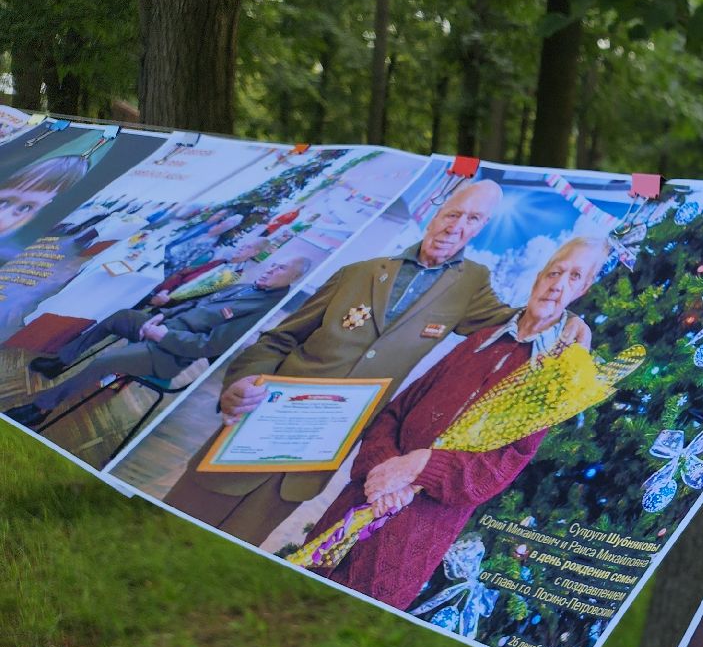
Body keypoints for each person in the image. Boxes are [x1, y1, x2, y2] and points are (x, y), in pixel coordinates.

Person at [163, 178, 586, 547]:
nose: (457, 226)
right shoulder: (359, 271)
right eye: (453, 213)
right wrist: (241, 381)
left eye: (473, 220)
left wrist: (572, 319)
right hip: (253, 433)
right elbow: (278, 340)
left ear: (481, 229)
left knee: (229, 555)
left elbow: (525, 320)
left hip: (309, 460)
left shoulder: (471, 284)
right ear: (435, 210)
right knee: (164, 530)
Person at [300, 238, 607, 609]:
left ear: (584, 289)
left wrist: (420, 468)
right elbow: (395, 413)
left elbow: (499, 470)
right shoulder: (481, 339)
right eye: (554, 272)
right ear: (539, 276)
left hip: (412, 534)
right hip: (362, 497)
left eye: (574, 277)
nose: (558, 284)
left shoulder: (553, 375)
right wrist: (385, 472)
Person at [3, 258, 307, 428]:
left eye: (281, 268)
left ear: (293, 279)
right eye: (273, 265)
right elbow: (194, 308)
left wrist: (163, 335)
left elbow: (209, 346)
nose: (270, 268)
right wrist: (160, 318)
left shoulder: (261, 309)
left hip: (169, 354)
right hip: (161, 329)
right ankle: (61, 361)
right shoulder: (245, 287)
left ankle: (40, 408)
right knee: (120, 316)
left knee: (104, 362)